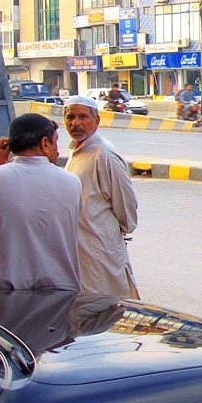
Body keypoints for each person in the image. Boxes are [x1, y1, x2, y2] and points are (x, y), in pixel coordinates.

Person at [0, 113, 82, 291]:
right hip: (61, 293)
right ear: (45, 143)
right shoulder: (72, 182)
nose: (58, 150)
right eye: (55, 141)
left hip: (5, 298)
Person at [63, 96, 140, 298]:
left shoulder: (104, 154)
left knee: (107, 308)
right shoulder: (77, 151)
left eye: (83, 117)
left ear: (96, 120)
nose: (76, 123)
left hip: (100, 249)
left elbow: (126, 206)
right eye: (70, 117)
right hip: (81, 249)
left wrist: (111, 231)